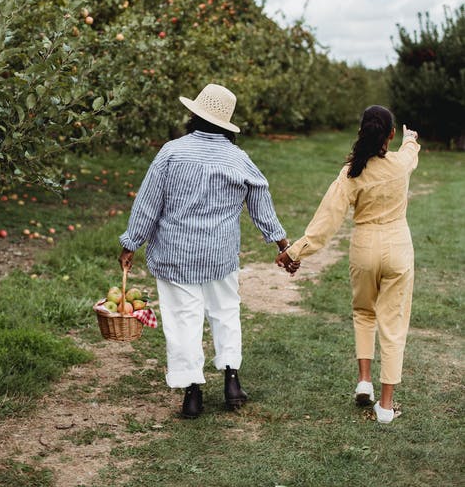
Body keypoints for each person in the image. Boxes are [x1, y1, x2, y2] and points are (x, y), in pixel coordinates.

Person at [119, 83, 295, 419]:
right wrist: (281, 243)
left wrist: (131, 242)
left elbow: (148, 204)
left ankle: (192, 394)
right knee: (225, 311)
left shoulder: (171, 152)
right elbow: (261, 203)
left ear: (194, 115)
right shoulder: (238, 158)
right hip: (220, 254)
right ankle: (231, 382)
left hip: (176, 254)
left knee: (183, 319)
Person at [276, 105, 420, 424]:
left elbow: (326, 221)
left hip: (365, 248)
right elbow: (410, 153)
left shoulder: (351, 173)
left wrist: (294, 251)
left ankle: (364, 380)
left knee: (364, 313)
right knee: (393, 324)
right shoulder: (400, 164)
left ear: (361, 132)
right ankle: (385, 406)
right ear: (391, 135)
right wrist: (410, 139)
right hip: (398, 247)